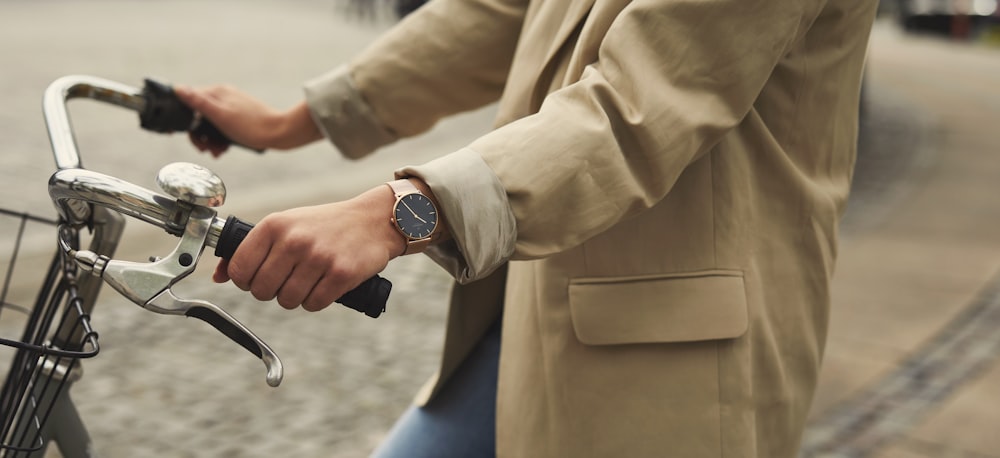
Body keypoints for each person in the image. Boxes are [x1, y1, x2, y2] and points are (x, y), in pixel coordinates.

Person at [174, 0, 878, 454]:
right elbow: (499, 13)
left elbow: (635, 107)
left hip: (674, 355)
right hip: (538, 315)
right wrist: (289, 122)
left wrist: (397, 212)